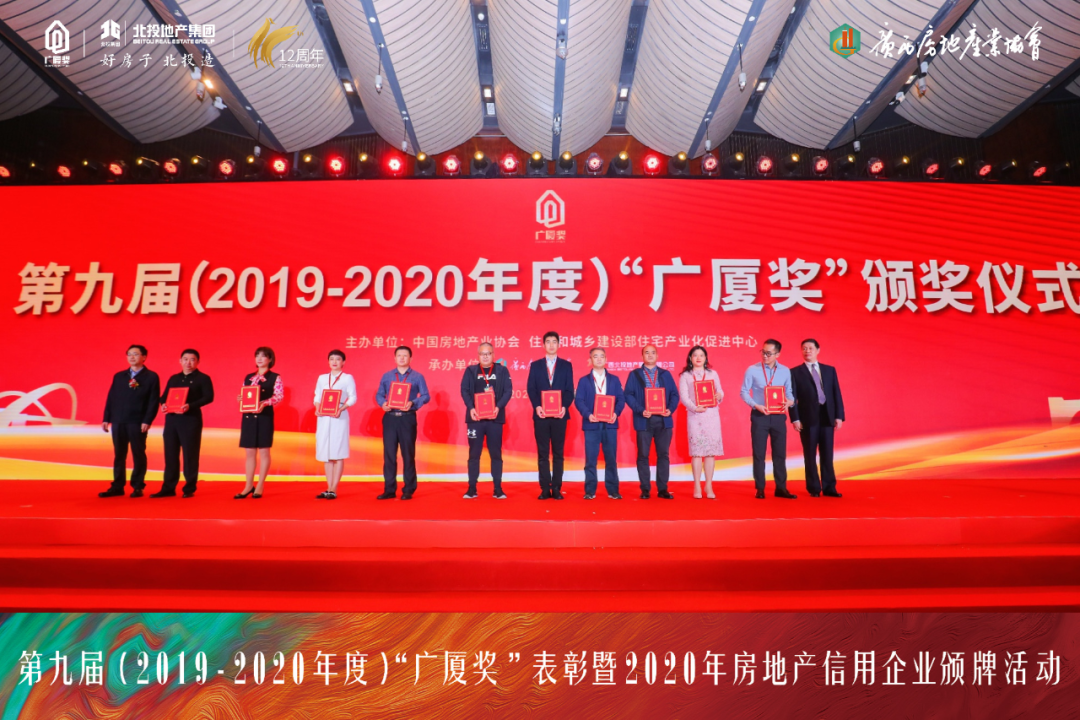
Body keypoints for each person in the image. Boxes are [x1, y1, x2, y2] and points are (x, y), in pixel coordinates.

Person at [99, 344, 160, 498]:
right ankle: (117, 486)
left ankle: (138, 486)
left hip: (137, 422)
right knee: (119, 454)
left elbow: (153, 401)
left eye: (136, 354)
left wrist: (147, 420)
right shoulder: (119, 376)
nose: (132, 357)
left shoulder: (151, 377)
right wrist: (106, 418)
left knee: (138, 454)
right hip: (118, 420)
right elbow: (111, 398)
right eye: (129, 354)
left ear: (144, 357)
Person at [151, 349, 214, 498]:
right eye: (185, 359)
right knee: (170, 454)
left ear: (198, 362)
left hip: (190, 420)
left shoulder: (203, 378)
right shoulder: (174, 378)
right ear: (180, 361)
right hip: (172, 420)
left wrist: (190, 406)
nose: (188, 362)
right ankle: (168, 488)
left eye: (192, 359)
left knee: (190, 455)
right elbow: (164, 397)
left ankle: (189, 488)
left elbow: (209, 397)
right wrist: (163, 405)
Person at [740, 339, 796, 499]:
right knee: (759, 453)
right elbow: (744, 392)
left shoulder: (785, 371)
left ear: (777, 354)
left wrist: (790, 402)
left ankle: (781, 488)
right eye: (763, 352)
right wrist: (755, 405)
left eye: (769, 353)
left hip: (778, 416)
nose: (765, 356)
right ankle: (760, 488)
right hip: (760, 416)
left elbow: (789, 392)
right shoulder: (752, 370)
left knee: (780, 453)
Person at [790, 338, 845, 498]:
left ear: (818, 350)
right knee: (809, 455)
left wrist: (839, 416)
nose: (807, 351)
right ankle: (814, 488)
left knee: (827, 454)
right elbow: (792, 397)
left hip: (827, 417)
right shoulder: (794, 372)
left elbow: (836, 393)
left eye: (810, 348)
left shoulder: (829, 370)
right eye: (804, 348)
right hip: (807, 419)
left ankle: (829, 487)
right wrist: (795, 418)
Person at [623, 344, 680, 499]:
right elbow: (628, 395)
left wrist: (670, 409)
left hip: (663, 420)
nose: (650, 355)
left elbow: (675, 394)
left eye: (653, 352)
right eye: (646, 353)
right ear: (642, 356)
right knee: (643, 455)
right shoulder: (635, 374)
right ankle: (645, 489)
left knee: (663, 455)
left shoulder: (665, 374)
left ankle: (662, 489)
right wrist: (641, 410)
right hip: (644, 419)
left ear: (657, 356)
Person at [375, 346, 431, 500]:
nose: (402, 358)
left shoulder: (417, 376)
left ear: (411, 358)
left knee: (408, 454)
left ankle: (408, 489)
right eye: (399, 355)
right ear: (394, 358)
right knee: (389, 455)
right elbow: (379, 394)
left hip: (407, 418)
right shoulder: (387, 376)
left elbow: (426, 396)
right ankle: (389, 489)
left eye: (405, 356)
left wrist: (413, 402)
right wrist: (383, 403)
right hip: (390, 418)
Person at [460, 342, 513, 499]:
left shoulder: (502, 371)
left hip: (495, 419)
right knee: (474, 454)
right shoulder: (471, 371)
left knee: (496, 454)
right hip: (475, 419)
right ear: (478, 355)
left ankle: (497, 488)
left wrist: (498, 407)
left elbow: (508, 391)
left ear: (493, 355)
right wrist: (471, 408)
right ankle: (472, 488)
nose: (485, 356)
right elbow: (464, 390)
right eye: (482, 354)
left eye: (488, 353)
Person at [526, 331, 574, 499]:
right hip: (541, 416)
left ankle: (557, 488)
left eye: (554, 341)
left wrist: (564, 407)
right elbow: (531, 388)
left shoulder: (566, 366)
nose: (551, 345)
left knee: (558, 453)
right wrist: (537, 406)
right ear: (543, 345)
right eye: (548, 342)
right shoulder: (536, 365)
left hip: (560, 415)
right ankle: (545, 488)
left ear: (559, 344)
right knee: (543, 453)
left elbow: (569, 390)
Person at [574, 347, 625, 500]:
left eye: (601, 356)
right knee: (591, 459)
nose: (599, 359)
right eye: (595, 356)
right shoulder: (584, 380)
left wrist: (615, 414)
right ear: (590, 360)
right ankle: (590, 490)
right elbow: (579, 400)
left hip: (610, 424)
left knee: (611, 459)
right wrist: (588, 415)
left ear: (606, 359)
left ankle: (613, 490)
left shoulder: (614, 379)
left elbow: (621, 399)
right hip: (592, 424)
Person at [678, 345, 725, 500]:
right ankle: (697, 485)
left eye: (701, 355)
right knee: (697, 453)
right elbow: (684, 397)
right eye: (695, 355)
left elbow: (720, 391)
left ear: (706, 358)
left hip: (711, 415)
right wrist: (695, 408)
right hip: (695, 416)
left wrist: (719, 395)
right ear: (690, 358)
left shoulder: (713, 373)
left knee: (710, 452)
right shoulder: (685, 376)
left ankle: (709, 485)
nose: (698, 358)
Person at [236, 347, 282, 499]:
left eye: (263, 356)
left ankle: (260, 485)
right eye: (257, 356)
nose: (260, 359)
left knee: (264, 451)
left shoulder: (275, 377)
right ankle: (248, 485)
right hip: (249, 417)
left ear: (270, 359)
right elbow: (245, 394)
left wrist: (265, 403)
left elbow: (278, 396)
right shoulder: (249, 377)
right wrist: (241, 398)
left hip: (264, 417)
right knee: (249, 452)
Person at [313, 349, 357, 500]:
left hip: (339, 416)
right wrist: (317, 408)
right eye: (331, 359)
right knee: (326, 453)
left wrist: (341, 408)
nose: (334, 362)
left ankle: (334, 488)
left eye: (338, 359)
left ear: (343, 362)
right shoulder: (322, 378)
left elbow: (353, 397)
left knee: (338, 452)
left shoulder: (347, 378)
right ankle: (328, 488)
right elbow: (317, 396)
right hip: (324, 417)